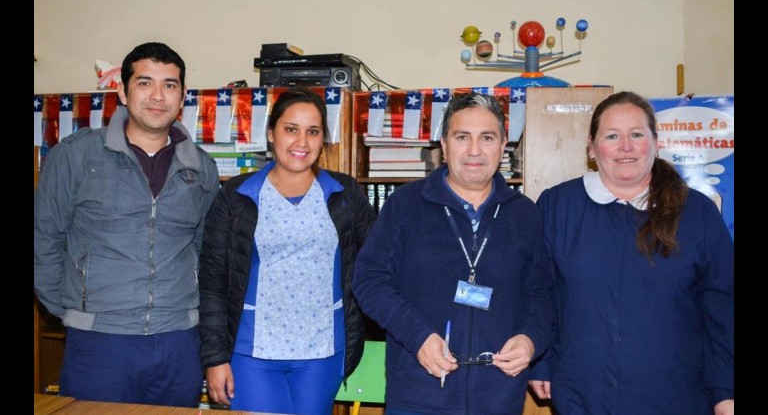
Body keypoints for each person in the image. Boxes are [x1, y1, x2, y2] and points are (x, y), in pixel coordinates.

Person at [34, 42, 220, 406]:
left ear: (182, 96)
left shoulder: (202, 167)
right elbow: (44, 240)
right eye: (144, 82)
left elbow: (203, 248)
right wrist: (74, 310)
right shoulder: (75, 155)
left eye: (169, 85)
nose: (157, 96)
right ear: (121, 90)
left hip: (179, 341)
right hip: (100, 342)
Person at [528, 91, 734, 415]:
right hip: (583, 394)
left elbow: (722, 307)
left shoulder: (697, 212)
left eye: (636, 134)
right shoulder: (557, 206)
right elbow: (540, 292)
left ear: (655, 142)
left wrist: (727, 391)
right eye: (612, 136)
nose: (626, 146)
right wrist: (541, 362)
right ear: (592, 148)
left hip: (677, 396)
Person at [352, 92, 555, 415]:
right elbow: (369, 281)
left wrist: (531, 339)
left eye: (486, 138)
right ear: (444, 146)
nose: (474, 150)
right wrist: (418, 337)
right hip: (420, 392)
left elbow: (542, 293)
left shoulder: (524, 214)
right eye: (462, 137)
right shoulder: (405, 205)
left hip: (499, 395)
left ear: (503, 147)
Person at [198, 87, 377, 415]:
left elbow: (375, 265)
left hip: (322, 353)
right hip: (252, 352)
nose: (302, 142)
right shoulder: (237, 195)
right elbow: (212, 282)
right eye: (290, 129)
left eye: (313, 131)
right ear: (271, 133)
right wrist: (215, 358)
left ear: (324, 138)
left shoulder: (345, 193)